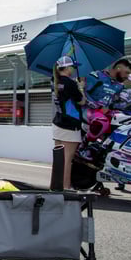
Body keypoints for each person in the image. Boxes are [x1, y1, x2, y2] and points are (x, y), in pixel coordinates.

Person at [51, 56, 86, 190]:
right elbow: (82, 101)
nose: (74, 69)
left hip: (58, 123)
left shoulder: (54, 80)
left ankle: (54, 187)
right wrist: (81, 87)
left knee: (58, 160)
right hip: (70, 125)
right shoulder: (70, 83)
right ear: (66, 68)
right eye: (73, 67)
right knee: (67, 160)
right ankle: (65, 188)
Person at [82, 58, 131, 142]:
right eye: (127, 73)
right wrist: (96, 106)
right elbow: (82, 93)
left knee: (123, 119)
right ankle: (85, 143)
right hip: (88, 110)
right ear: (118, 68)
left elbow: (115, 100)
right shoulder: (96, 76)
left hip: (105, 111)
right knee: (102, 121)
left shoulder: (119, 85)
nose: (127, 76)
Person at [112, 73, 131, 192]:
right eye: (125, 79)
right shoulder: (118, 91)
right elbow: (112, 104)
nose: (126, 82)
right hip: (119, 123)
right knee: (118, 151)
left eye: (128, 80)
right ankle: (121, 182)